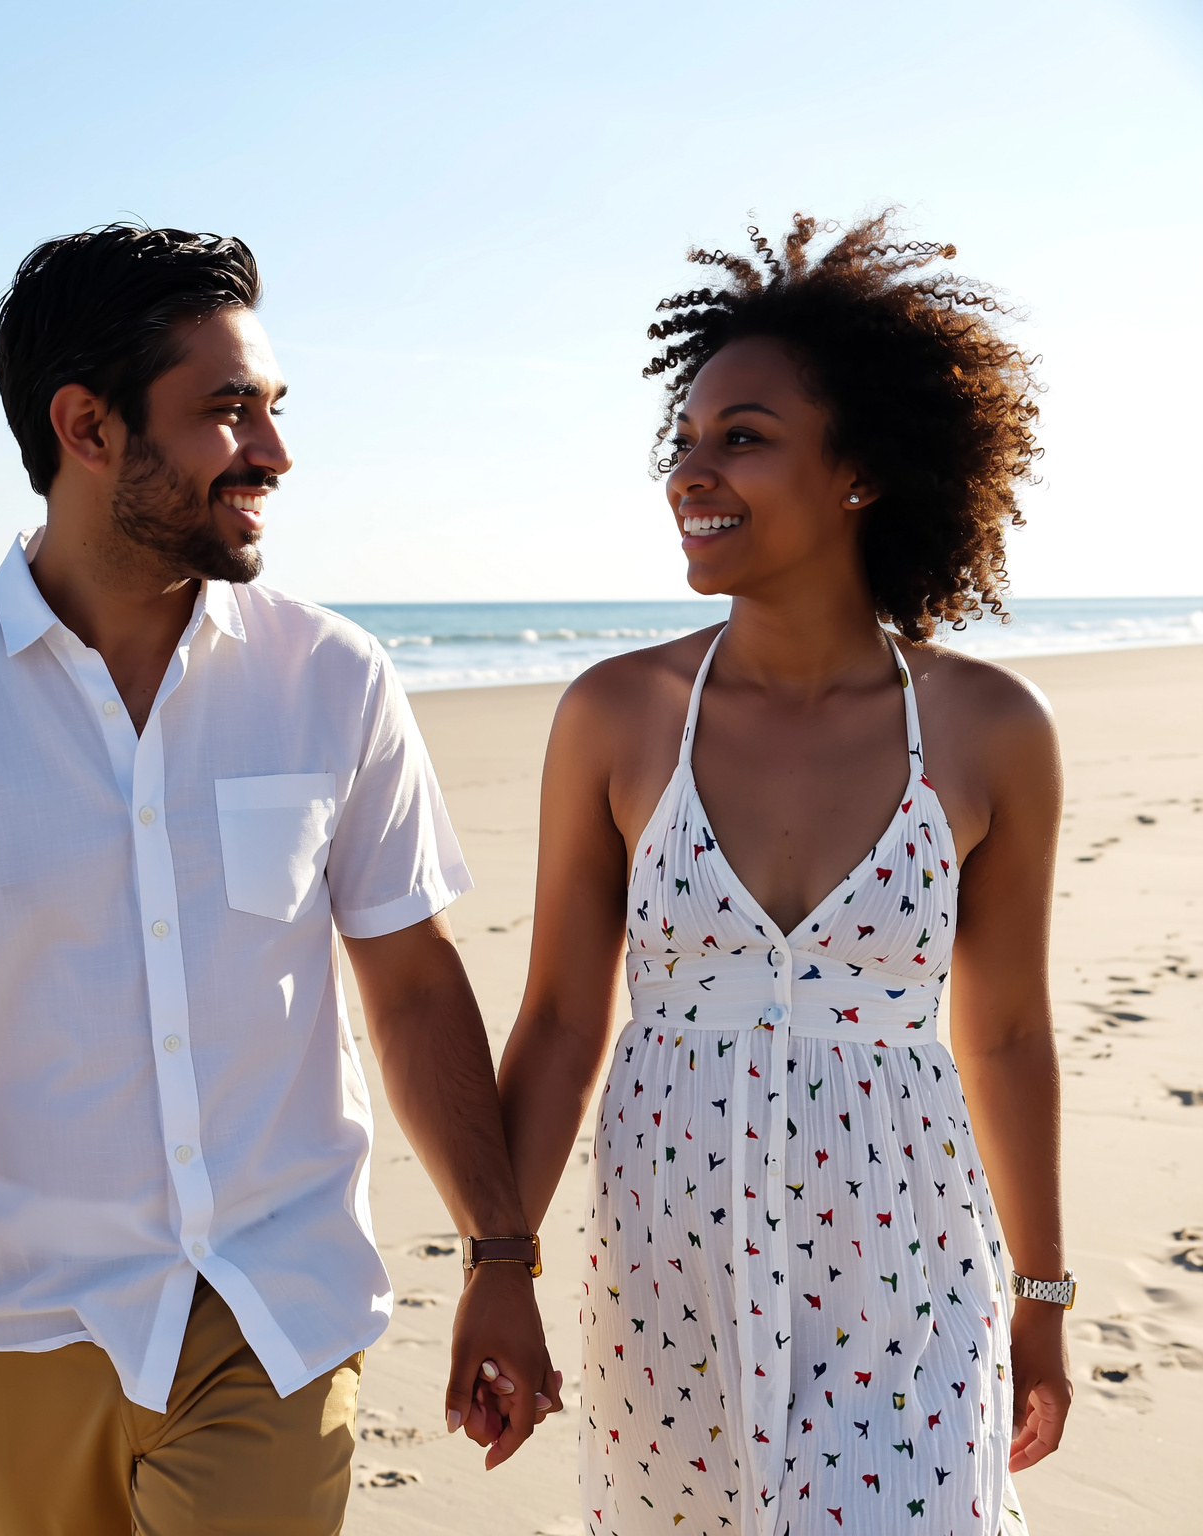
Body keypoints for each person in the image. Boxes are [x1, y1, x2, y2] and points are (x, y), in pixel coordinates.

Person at [0, 224, 557, 1536]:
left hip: (275, 1313)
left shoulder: (332, 680)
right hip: (21, 1325)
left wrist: (500, 1255)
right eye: (229, 412)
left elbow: (409, 981)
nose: (275, 452)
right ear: (87, 427)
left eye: (274, 409)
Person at [496, 214, 1074, 1536]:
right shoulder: (618, 715)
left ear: (860, 470)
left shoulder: (990, 731)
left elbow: (1010, 1031)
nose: (692, 471)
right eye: (684, 441)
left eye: (740, 437)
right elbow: (565, 1020)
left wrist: (1041, 1298)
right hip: (667, 1265)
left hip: (904, 1264)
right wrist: (498, 1264)